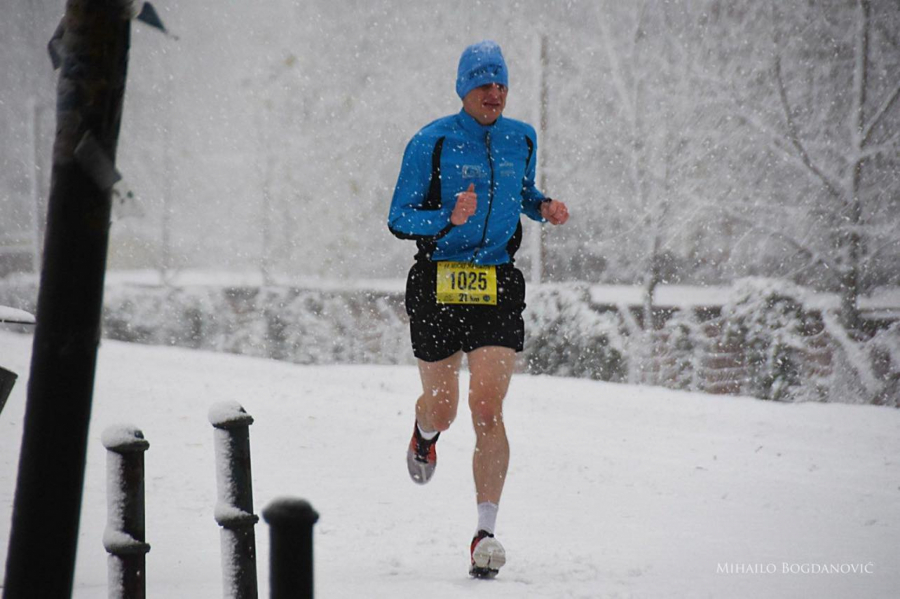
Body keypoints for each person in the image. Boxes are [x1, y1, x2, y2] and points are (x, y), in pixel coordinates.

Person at [387, 40, 569, 578]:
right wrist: (448, 215)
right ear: (464, 87)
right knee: (443, 408)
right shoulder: (432, 141)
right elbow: (399, 217)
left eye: (502, 84)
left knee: (487, 408)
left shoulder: (522, 138)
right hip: (439, 282)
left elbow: (522, 193)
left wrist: (544, 207)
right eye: (484, 83)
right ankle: (425, 433)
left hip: (495, 283)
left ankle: (484, 533)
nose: (495, 93)